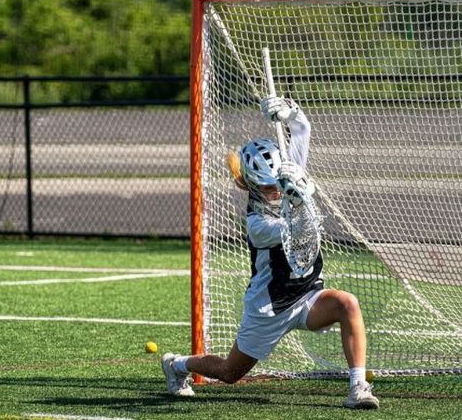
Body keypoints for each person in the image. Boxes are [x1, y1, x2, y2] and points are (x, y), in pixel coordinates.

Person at [161, 95, 379, 409]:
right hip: (269, 308)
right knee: (229, 372)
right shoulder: (257, 223)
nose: (275, 190)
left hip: (306, 295)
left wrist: (291, 112)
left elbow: (302, 130)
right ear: (252, 185)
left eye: (277, 183)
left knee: (347, 304)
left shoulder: (289, 173)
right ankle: (177, 364)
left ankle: (358, 387)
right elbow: (301, 230)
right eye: (266, 187)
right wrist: (304, 194)